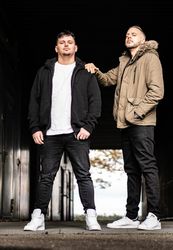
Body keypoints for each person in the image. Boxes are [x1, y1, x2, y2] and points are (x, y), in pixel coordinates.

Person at [85, 25, 164, 230]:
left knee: (147, 166)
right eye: (127, 34)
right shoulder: (124, 62)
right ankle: (131, 216)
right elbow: (107, 80)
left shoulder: (150, 58)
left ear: (143, 40)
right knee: (131, 170)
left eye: (134, 34)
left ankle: (154, 216)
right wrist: (95, 71)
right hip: (126, 124)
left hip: (142, 122)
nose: (129, 36)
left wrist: (136, 113)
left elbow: (157, 92)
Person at [24, 30, 102, 231]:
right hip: (50, 133)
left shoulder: (86, 72)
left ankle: (91, 215)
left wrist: (88, 126)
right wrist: (35, 128)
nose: (66, 45)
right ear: (56, 48)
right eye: (62, 42)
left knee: (83, 175)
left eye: (70, 42)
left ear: (75, 48)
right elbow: (34, 101)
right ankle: (38, 216)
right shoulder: (45, 71)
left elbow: (95, 102)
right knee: (46, 176)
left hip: (77, 133)